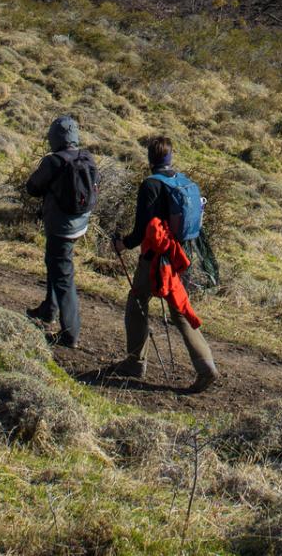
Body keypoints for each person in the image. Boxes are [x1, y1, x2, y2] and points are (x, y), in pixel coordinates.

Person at [110, 136, 218, 393]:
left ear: (150, 159)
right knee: (179, 310)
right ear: (170, 158)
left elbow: (141, 230)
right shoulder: (181, 182)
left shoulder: (150, 186)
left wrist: (122, 244)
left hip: (156, 260)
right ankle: (206, 366)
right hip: (181, 256)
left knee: (137, 302)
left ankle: (135, 362)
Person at [23, 114, 96, 347]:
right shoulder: (88, 157)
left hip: (59, 225)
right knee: (54, 262)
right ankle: (48, 308)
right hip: (79, 223)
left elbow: (32, 188)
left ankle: (70, 333)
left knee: (63, 274)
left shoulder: (53, 162)